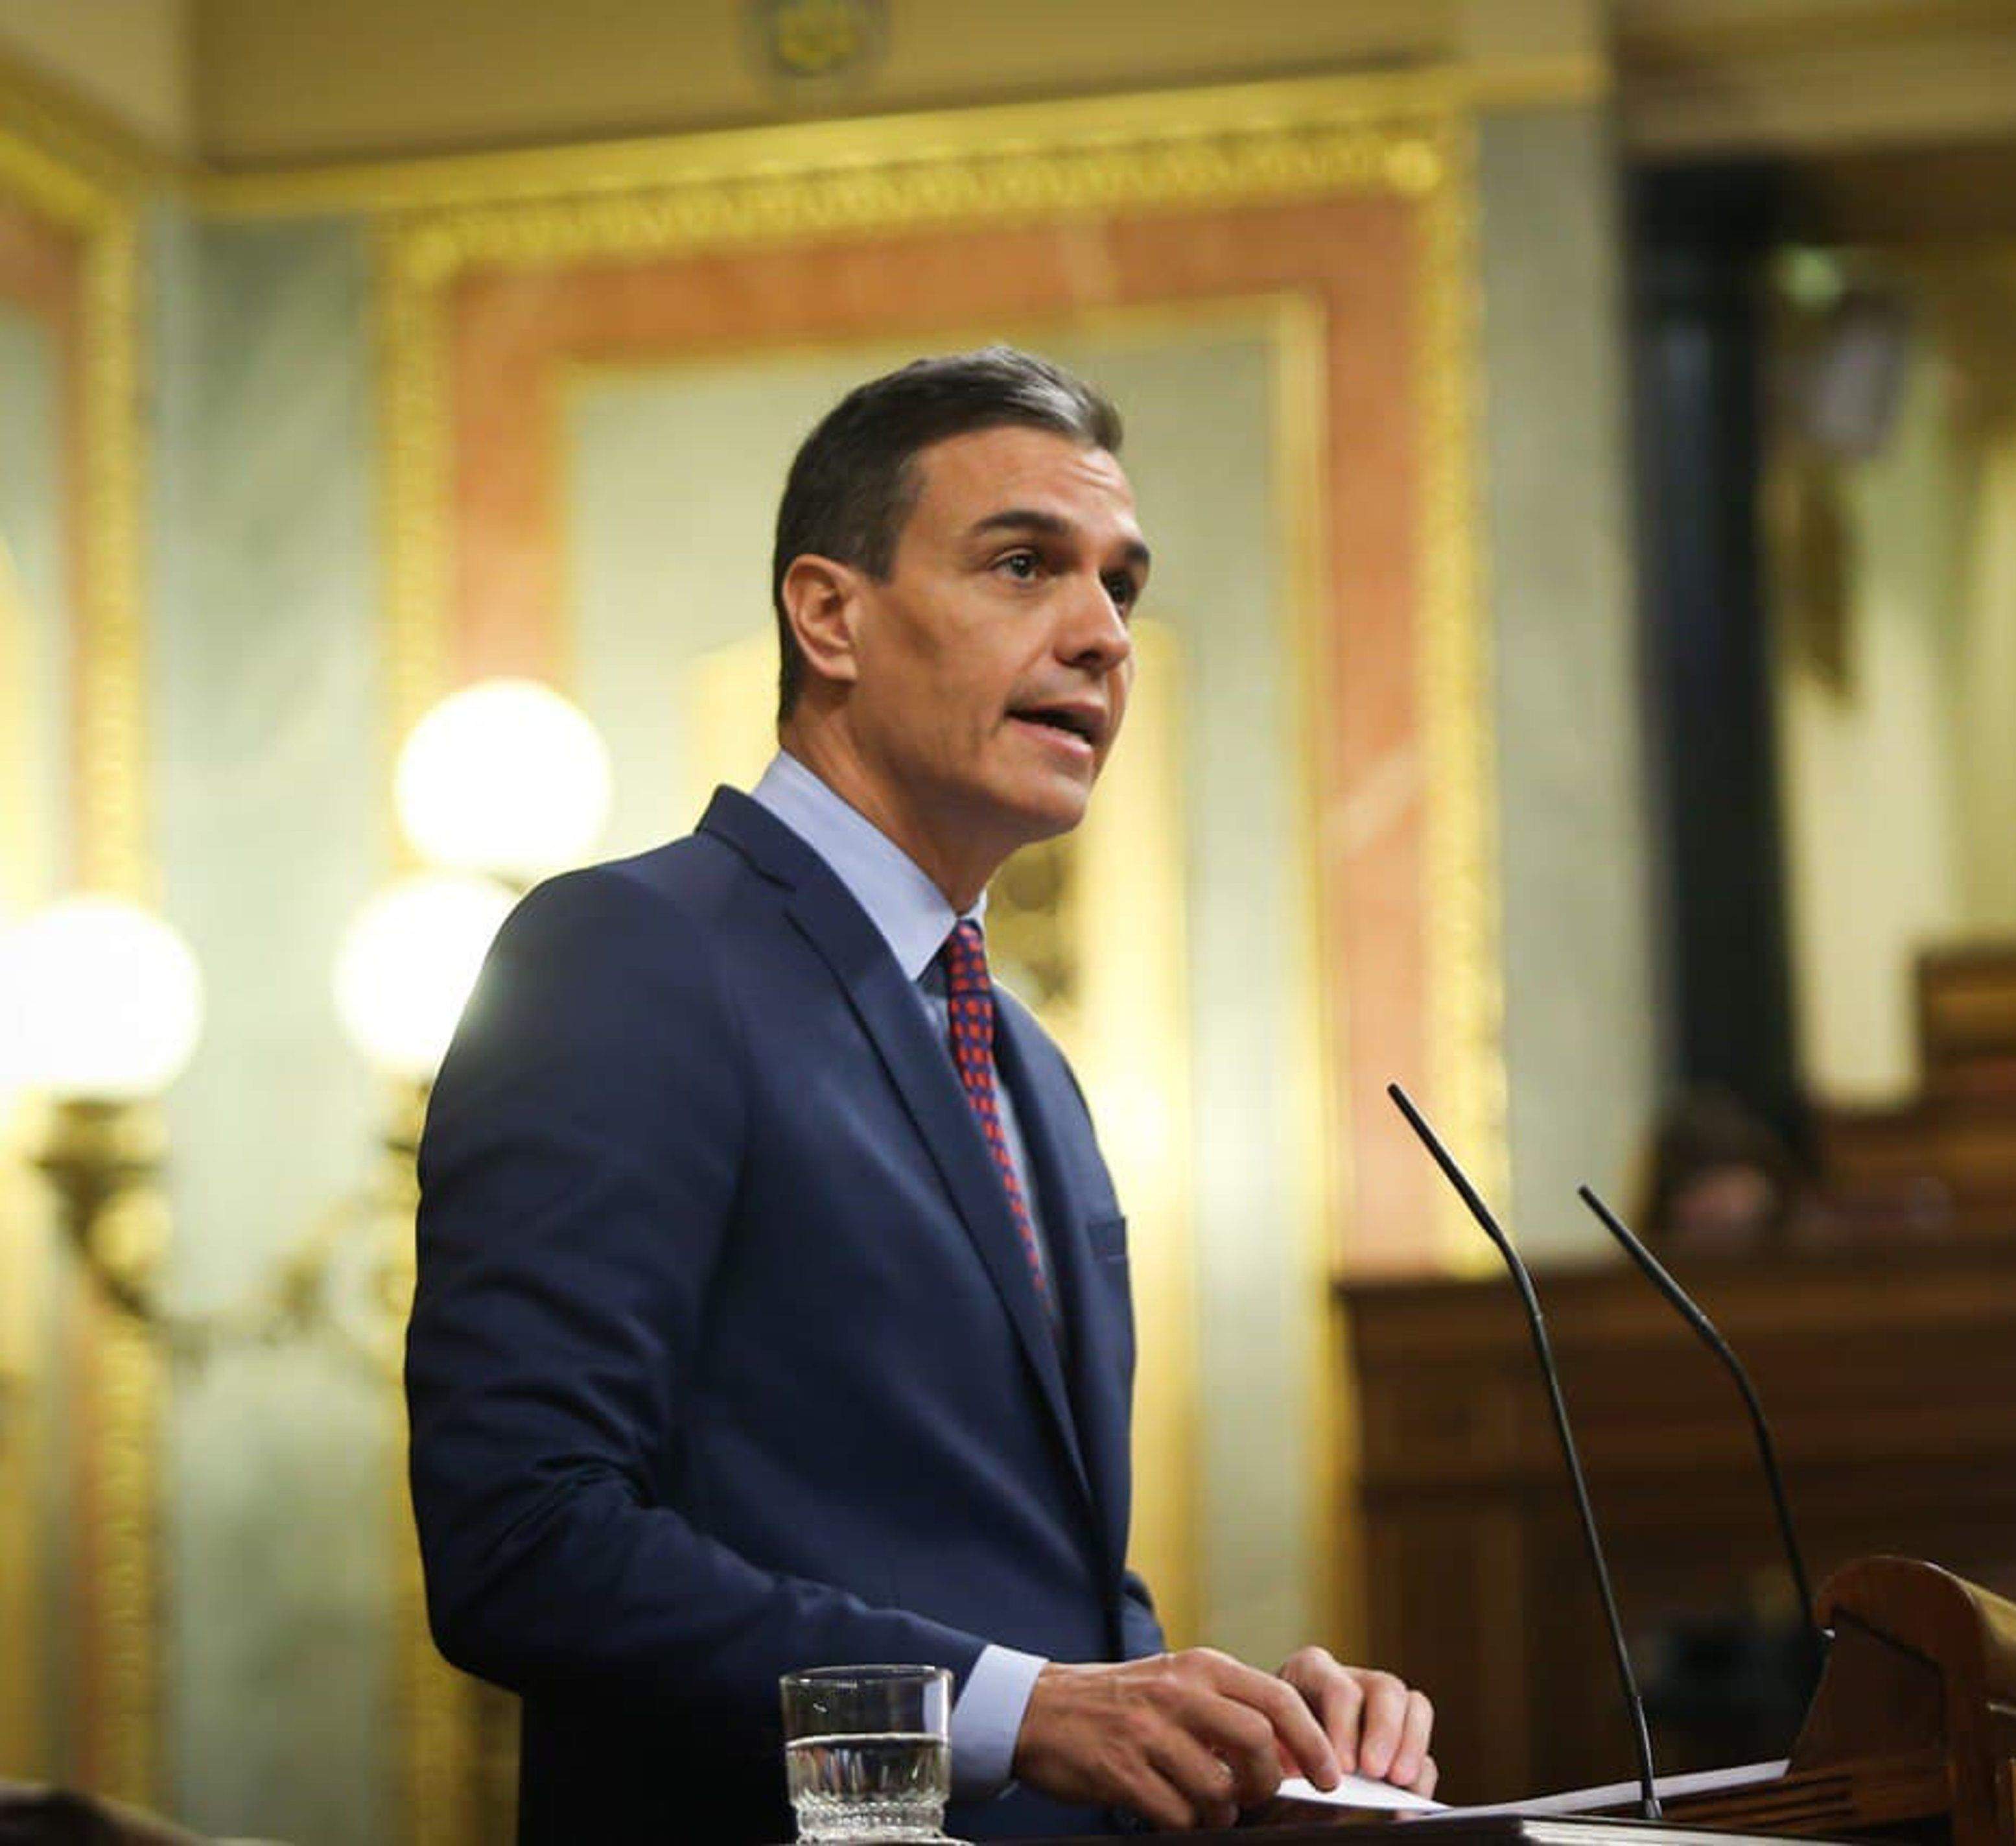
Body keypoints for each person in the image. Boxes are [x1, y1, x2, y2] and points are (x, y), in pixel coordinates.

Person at [406, 348, 1436, 1843]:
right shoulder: (631, 954)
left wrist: (1244, 1751)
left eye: (1121, 587)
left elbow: (1039, 1601)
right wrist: (1024, 1711)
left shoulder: (1030, 1061)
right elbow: (524, 1541)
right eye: (1025, 564)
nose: (1103, 635)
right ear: (829, 614)